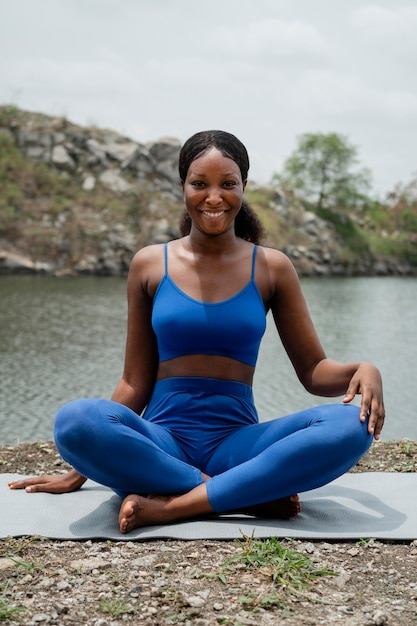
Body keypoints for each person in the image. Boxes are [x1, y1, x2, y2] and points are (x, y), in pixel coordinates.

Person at [9, 130, 385, 534]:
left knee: (350, 426)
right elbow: (134, 382)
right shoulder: (150, 264)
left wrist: (362, 370)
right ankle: (240, 495)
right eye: (199, 184)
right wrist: (78, 470)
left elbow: (313, 371)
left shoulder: (272, 267)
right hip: (161, 444)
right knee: (75, 420)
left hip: (238, 444)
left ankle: (174, 506)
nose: (213, 197)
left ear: (244, 187)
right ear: (183, 187)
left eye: (228, 184)